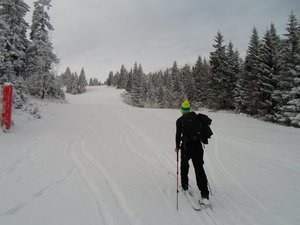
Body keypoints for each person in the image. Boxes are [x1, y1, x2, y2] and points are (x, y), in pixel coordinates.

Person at [175, 100, 210, 205]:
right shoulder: (197, 118)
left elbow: (178, 135)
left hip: (186, 147)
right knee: (199, 169)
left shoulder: (180, 120)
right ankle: (205, 194)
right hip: (198, 147)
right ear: (189, 109)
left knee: (184, 166)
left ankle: (184, 185)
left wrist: (177, 146)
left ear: (182, 110)